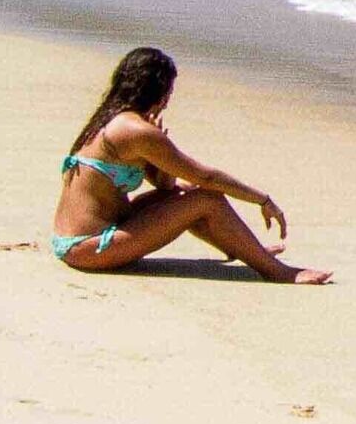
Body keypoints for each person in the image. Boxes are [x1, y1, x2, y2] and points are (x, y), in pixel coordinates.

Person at [48, 46, 329, 283]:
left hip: (79, 239)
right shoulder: (134, 131)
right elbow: (206, 176)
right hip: (88, 247)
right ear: (161, 90)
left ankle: (239, 247)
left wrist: (157, 154)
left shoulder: (112, 119)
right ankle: (280, 273)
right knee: (208, 199)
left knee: (185, 191)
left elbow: (164, 185)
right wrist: (262, 199)